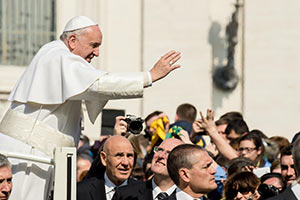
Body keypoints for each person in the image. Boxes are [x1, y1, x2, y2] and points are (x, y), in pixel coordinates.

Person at [0, 16, 181, 199]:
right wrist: (148, 77)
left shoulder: (60, 57)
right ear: (72, 41)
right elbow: (98, 84)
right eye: (93, 45)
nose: (97, 53)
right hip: (28, 155)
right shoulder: (57, 56)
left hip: (43, 155)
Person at [112, 138, 184, 200]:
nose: (160, 155)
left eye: (169, 153)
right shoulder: (125, 195)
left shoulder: (187, 197)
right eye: (159, 150)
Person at [77, 135, 137, 200]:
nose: (126, 163)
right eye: (119, 155)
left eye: (129, 156)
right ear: (104, 158)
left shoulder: (144, 193)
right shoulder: (82, 191)